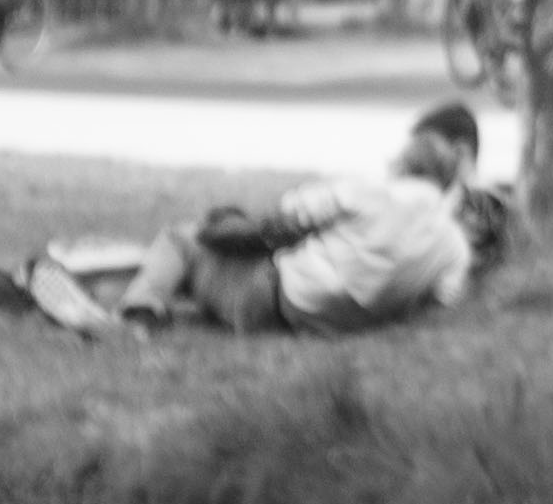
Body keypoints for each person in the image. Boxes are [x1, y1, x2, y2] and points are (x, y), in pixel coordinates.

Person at [115, 101, 492, 335]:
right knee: (202, 266)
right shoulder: (455, 247)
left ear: (404, 163)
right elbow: (442, 304)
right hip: (333, 323)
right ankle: (164, 288)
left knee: (182, 239)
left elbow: (285, 219)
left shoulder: (369, 192)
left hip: (268, 301)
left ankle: (139, 313)